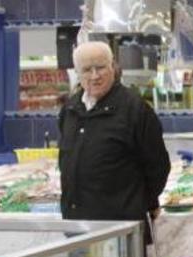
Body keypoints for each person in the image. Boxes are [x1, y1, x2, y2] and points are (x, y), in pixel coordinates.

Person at [58, 41, 170, 228]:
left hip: (120, 228)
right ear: (77, 73)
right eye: (86, 70)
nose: (95, 76)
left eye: (100, 67)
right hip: (76, 224)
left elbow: (157, 167)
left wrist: (140, 204)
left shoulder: (135, 109)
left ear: (112, 67)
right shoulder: (70, 109)